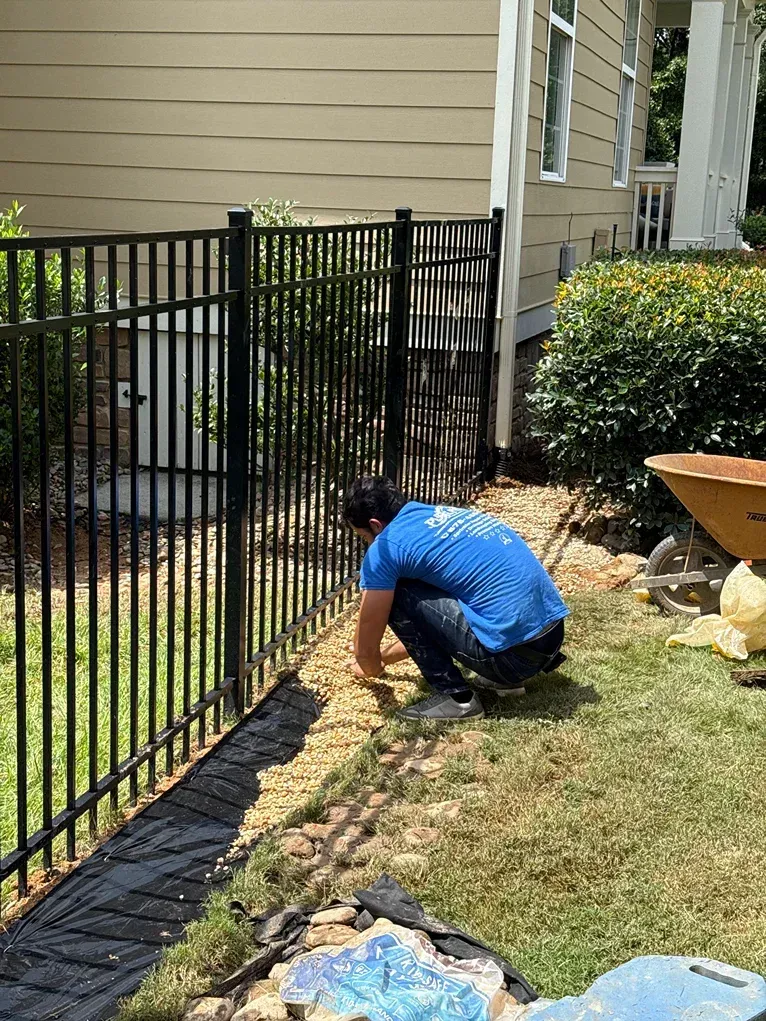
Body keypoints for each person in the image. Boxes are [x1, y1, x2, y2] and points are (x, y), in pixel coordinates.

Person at [342, 476, 569, 721]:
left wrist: (370, 666)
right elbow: (437, 622)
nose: (368, 544)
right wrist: (386, 657)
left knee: (399, 591)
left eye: (364, 537)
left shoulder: (387, 547)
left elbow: (368, 636)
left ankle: (458, 701)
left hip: (513, 658)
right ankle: (506, 683)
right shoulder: (441, 516)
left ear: (375, 525)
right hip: (550, 640)